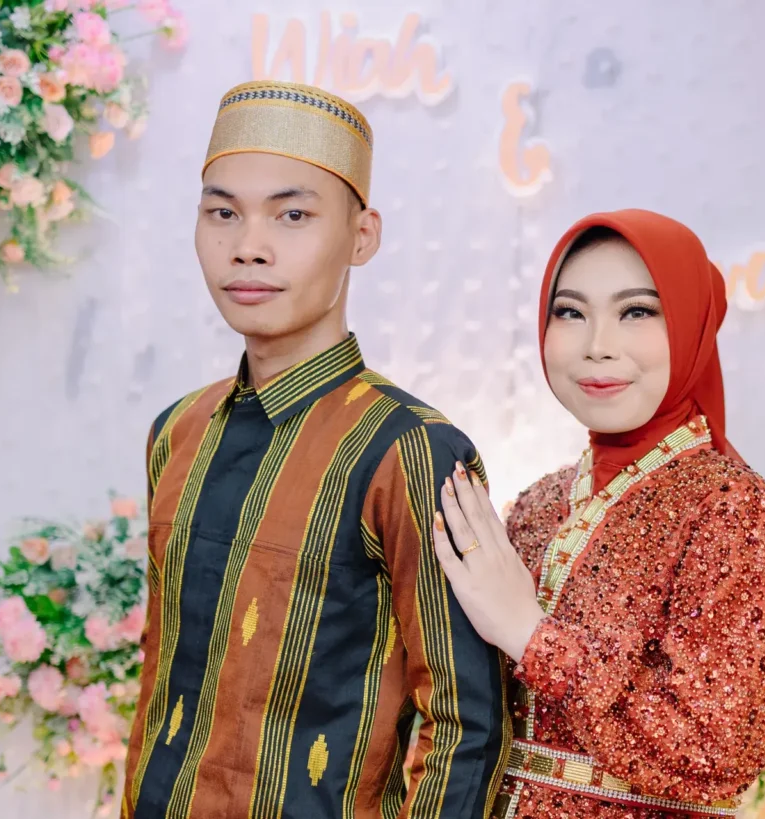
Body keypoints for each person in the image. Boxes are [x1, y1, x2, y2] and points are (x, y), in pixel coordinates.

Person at [121, 80, 510, 819]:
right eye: (222, 213)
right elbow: (160, 684)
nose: (248, 247)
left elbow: (466, 725)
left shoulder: (411, 450)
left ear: (362, 236)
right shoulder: (177, 432)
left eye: (293, 215)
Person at [432, 210, 765, 818]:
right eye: (570, 312)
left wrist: (532, 637)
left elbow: (717, 753)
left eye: (637, 311)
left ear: (692, 325)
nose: (597, 345)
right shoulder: (538, 503)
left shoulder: (731, 507)